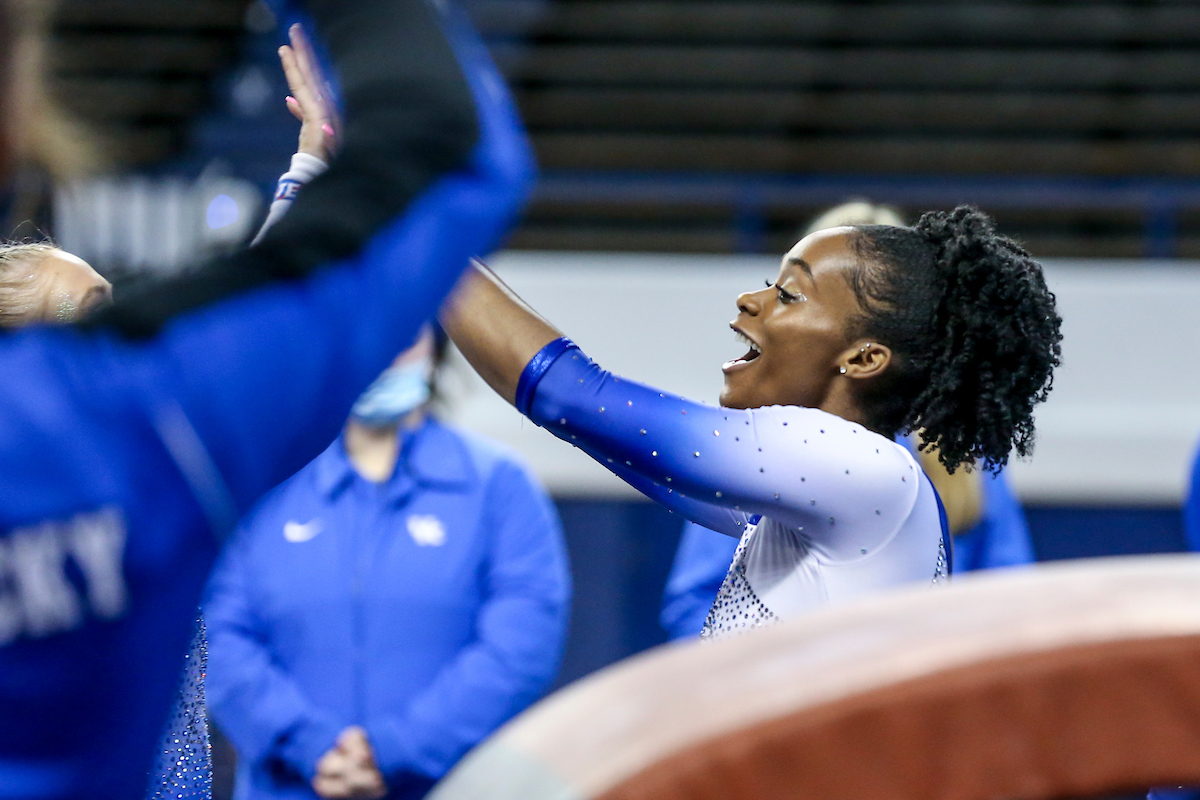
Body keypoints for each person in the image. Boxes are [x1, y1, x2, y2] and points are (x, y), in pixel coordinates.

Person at [0, 0, 534, 797]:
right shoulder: (125, 424)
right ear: (21, 111)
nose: (118, 332)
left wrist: (307, 170)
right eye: (91, 321)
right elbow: (447, 153)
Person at [441, 206, 1061, 639]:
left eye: (790, 295)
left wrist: (413, 238)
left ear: (864, 358)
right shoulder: (840, 491)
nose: (751, 300)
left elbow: (571, 396)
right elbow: (586, 424)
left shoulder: (857, 468)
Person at [204, 325, 571, 800]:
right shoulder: (262, 485)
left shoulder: (500, 486)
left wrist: (393, 750)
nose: (381, 347)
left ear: (436, 344)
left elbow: (520, 648)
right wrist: (308, 745)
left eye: (405, 327)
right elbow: (216, 635)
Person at [659, 201, 1037, 639]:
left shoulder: (959, 457)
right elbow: (696, 600)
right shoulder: (760, 451)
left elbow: (1009, 606)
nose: (753, 302)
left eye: (791, 295)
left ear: (870, 348)